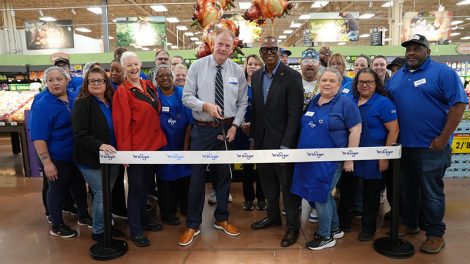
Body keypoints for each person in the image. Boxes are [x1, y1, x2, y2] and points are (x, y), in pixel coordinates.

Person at [387, 34, 468, 254]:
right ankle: (410, 223)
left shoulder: (443, 73)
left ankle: (435, 234)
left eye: (417, 49)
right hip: (404, 147)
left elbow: (459, 105)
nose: (411, 53)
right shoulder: (397, 76)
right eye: (409, 49)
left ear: (428, 52)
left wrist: (442, 139)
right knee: (408, 189)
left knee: (431, 192)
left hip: (431, 147)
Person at [180, 28, 248, 246]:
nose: (224, 48)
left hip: (226, 129)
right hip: (202, 129)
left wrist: (235, 125)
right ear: (212, 43)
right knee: (197, 179)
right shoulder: (198, 67)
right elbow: (186, 97)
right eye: (220, 44)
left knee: (223, 177)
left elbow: (243, 103)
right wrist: (205, 105)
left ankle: (222, 218)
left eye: (228, 45)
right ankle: (192, 224)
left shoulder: (237, 71)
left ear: (233, 47)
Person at [291, 68, 362, 250]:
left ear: (339, 84)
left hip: (330, 161)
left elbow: (356, 130)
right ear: (319, 82)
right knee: (319, 196)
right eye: (324, 80)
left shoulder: (346, 103)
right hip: (307, 160)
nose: (327, 84)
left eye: (332, 81)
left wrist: (349, 159)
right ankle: (335, 227)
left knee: (321, 195)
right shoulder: (315, 101)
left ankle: (326, 236)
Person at [250, 36, 303, 248]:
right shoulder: (256, 76)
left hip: (283, 143)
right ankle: (272, 217)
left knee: (287, 188)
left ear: (279, 51)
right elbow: (257, 111)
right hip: (262, 143)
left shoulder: (291, 76)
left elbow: (294, 114)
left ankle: (293, 226)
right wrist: (254, 137)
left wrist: (286, 146)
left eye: (273, 49)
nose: (269, 52)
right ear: (261, 53)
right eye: (265, 49)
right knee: (268, 184)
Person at [113, 51, 167, 247]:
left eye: (136, 64)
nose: (134, 68)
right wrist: (125, 152)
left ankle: (145, 220)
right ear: (123, 68)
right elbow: (121, 124)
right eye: (129, 65)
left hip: (154, 145)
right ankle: (136, 230)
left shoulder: (148, 85)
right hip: (136, 149)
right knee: (136, 190)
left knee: (146, 187)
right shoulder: (122, 92)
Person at [337, 68, 399, 241]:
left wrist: (384, 157)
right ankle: (343, 224)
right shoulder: (349, 100)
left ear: (375, 83)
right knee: (347, 192)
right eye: (361, 82)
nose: (364, 85)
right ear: (356, 84)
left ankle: (368, 228)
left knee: (371, 195)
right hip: (351, 156)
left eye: (368, 82)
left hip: (374, 158)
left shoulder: (384, 103)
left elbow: (394, 130)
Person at [30, 66, 91, 238]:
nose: (55, 83)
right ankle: (57, 225)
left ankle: (84, 216)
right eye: (51, 80)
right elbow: (39, 138)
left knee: (79, 187)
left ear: (67, 80)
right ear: (46, 83)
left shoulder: (75, 97)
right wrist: (47, 163)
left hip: (77, 155)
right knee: (57, 189)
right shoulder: (42, 105)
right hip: (57, 157)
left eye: (59, 79)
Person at [71, 67, 125, 242]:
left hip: (114, 157)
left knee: (107, 194)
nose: (95, 83)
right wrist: (100, 145)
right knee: (101, 194)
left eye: (99, 80)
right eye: (91, 81)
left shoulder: (112, 100)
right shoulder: (83, 103)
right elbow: (80, 134)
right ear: (86, 84)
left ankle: (106, 226)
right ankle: (99, 231)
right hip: (91, 159)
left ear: (105, 82)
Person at [153, 64, 193, 226]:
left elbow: (190, 124)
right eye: (161, 76)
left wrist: (185, 148)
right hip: (162, 145)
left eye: (168, 75)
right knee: (165, 180)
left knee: (185, 177)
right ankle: (168, 213)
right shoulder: (154, 96)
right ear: (156, 80)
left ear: (173, 77)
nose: (165, 78)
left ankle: (185, 208)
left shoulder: (182, 94)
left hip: (182, 141)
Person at [234, 54, 266, 211]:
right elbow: (233, 106)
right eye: (250, 63)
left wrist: (253, 125)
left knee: (261, 166)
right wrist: (240, 123)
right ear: (245, 67)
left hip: (259, 131)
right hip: (241, 131)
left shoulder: (264, 85)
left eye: (256, 64)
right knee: (246, 166)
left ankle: (262, 198)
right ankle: (248, 199)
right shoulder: (239, 86)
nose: (252, 66)